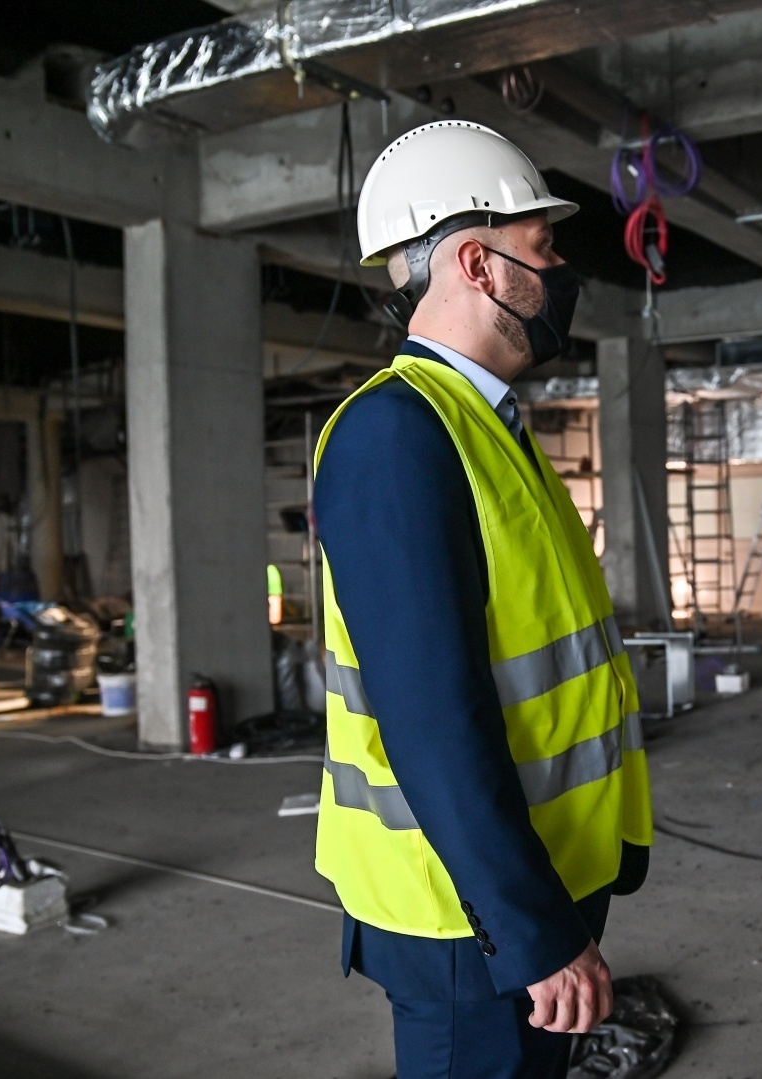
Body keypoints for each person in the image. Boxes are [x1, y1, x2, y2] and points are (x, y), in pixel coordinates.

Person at [312, 121, 653, 1079]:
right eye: (541, 250)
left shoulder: (483, 424)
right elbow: (432, 719)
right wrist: (532, 929)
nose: (558, 274)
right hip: (469, 920)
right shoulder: (396, 436)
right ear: (480, 263)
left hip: (531, 885)